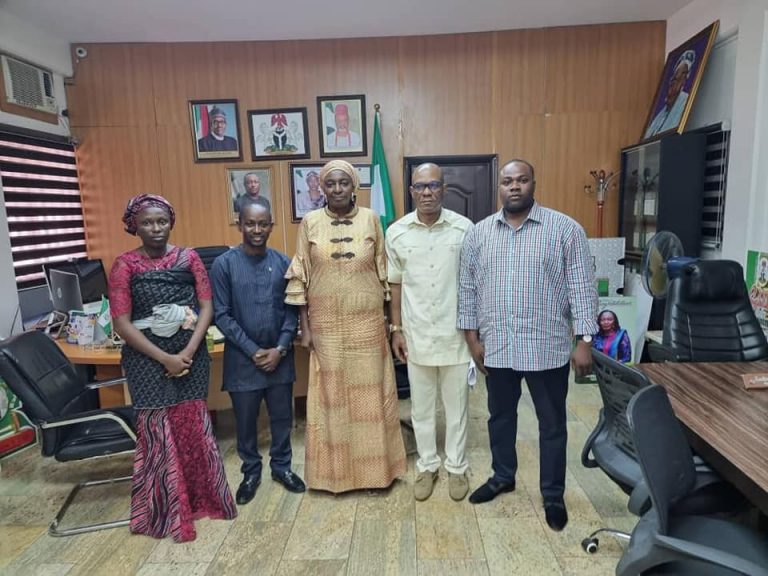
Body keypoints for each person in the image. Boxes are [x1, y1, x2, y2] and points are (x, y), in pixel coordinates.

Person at [458, 159, 598, 532]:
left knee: (552, 424)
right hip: (498, 345)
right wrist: (471, 339)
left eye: (522, 180)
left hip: (546, 347)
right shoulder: (479, 234)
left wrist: (584, 340)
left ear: (534, 183)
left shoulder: (565, 229)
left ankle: (552, 494)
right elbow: (467, 289)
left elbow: (582, 288)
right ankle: (503, 476)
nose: (515, 187)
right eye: (508, 181)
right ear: (499, 187)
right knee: (500, 417)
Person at [108, 194, 236, 542]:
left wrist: (188, 351)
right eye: (147, 222)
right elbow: (121, 322)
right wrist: (165, 358)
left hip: (192, 356)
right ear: (135, 226)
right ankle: (166, 510)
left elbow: (206, 306)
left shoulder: (189, 258)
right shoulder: (124, 265)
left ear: (171, 223)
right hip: (146, 362)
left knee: (192, 421)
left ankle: (204, 499)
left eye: (161, 221)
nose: (155, 228)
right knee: (158, 427)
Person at [285, 159, 406, 493]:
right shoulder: (310, 222)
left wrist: (391, 324)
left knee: (371, 398)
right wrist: (305, 328)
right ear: (322, 188)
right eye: (330, 183)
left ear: (354, 186)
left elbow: (383, 271)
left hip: (367, 325)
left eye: (343, 183)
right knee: (332, 400)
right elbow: (301, 273)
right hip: (326, 328)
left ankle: (375, 474)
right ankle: (334, 476)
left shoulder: (371, 219)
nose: (337, 189)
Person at [386, 163, 473, 502]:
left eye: (433, 185)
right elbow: (395, 285)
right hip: (417, 334)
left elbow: (475, 283)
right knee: (421, 409)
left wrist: (475, 333)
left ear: (444, 189)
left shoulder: (464, 229)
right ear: (411, 191)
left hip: (455, 336)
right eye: (420, 186)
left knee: (456, 408)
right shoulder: (397, 232)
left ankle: (456, 466)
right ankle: (427, 465)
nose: (427, 192)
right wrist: (396, 329)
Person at [211, 202, 305, 505]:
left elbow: (292, 310)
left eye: (263, 224)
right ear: (240, 224)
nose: (256, 230)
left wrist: (280, 348)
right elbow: (222, 315)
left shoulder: (283, 263)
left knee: (282, 418)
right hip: (242, 361)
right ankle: (251, 472)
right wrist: (253, 351)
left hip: (280, 358)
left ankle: (282, 467)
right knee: (245, 422)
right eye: (250, 223)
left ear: (271, 226)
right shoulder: (224, 265)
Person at [644, 50, 696, 138]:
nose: (673, 83)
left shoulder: (685, 102)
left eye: (679, 78)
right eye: (674, 79)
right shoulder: (661, 114)